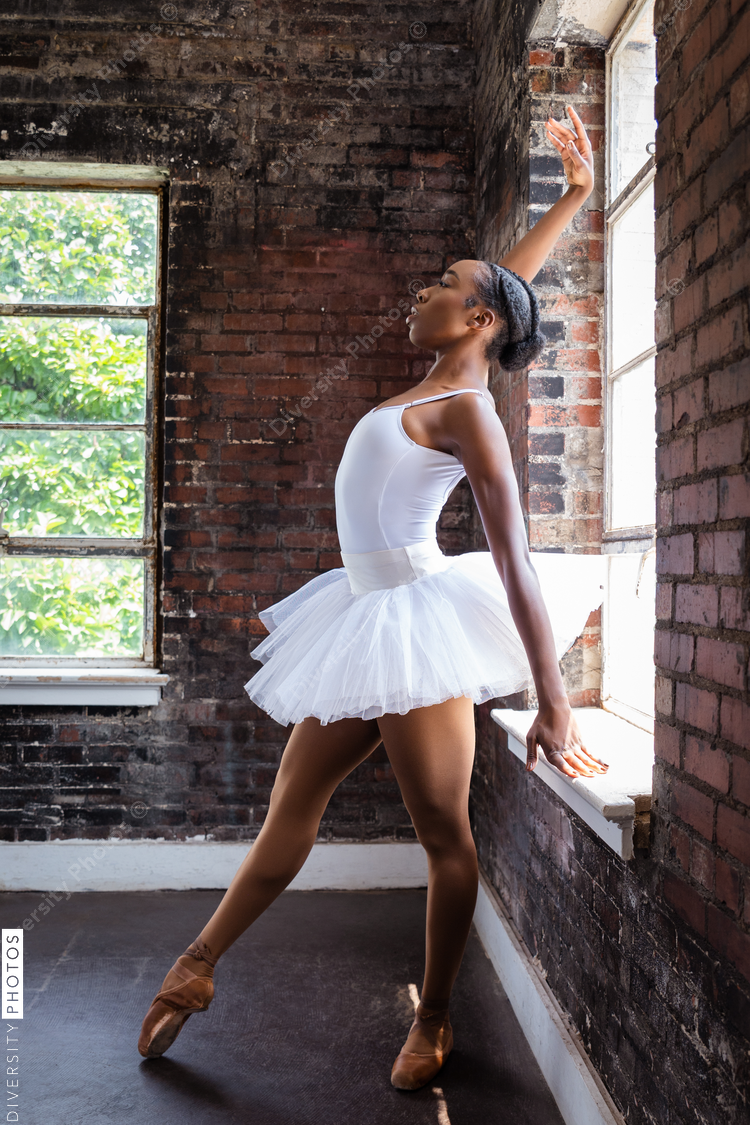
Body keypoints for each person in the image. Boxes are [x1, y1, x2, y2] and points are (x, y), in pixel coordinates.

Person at [138, 105, 608, 1090]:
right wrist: (572, 196)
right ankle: (198, 965)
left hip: (417, 627)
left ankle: (431, 1019)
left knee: (445, 838)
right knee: (289, 811)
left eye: (444, 287)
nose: (424, 290)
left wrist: (554, 701)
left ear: (474, 322)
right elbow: (505, 287)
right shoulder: (431, 383)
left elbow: (517, 561)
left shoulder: (467, 414)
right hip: (364, 616)